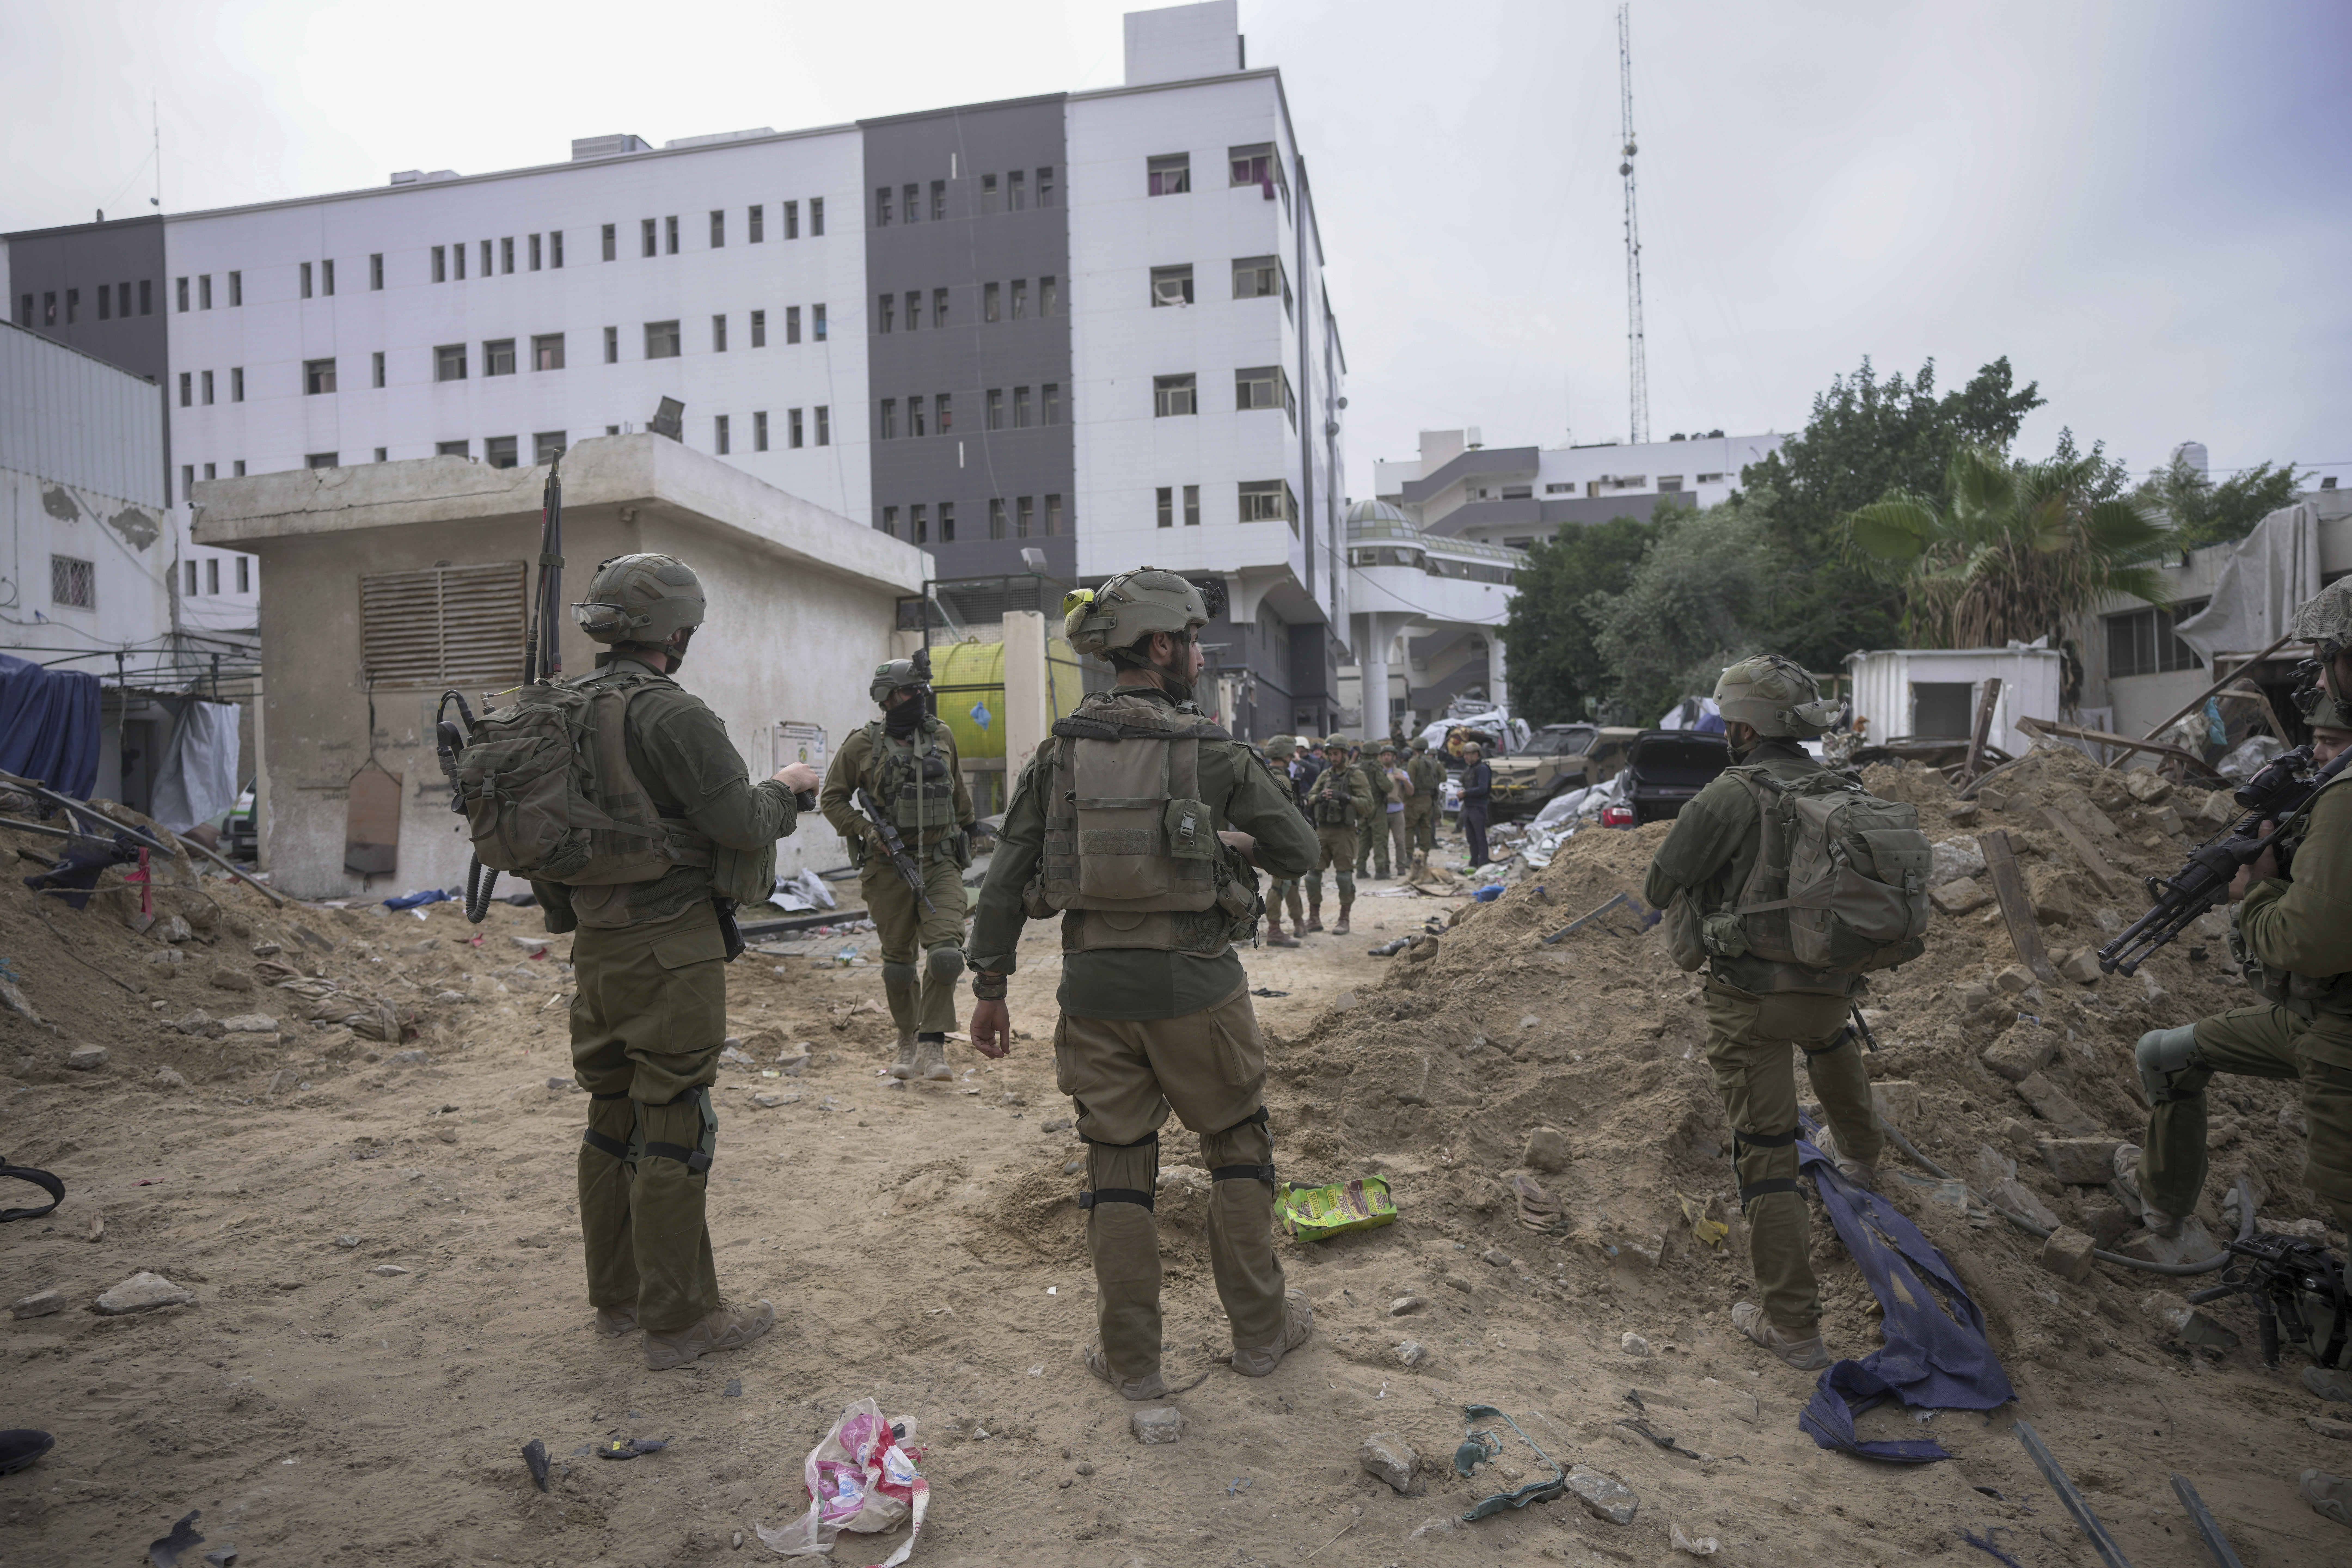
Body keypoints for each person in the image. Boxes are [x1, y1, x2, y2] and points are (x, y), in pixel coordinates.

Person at [965, 566, 1322, 1401]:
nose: (1199, 653)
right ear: (1160, 646)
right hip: (1199, 990)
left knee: (1116, 1167)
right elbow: (1301, 851)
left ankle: (1132, 1361)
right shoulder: (1214, 751)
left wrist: (989, 983)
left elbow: (1009, 874)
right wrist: (1230, 842)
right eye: (1193, 639)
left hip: (1093, 995)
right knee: (1236, 1148)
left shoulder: (1059, 753)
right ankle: (1262, 1337)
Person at [541, 553, 822, 1370]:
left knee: (612, 1119)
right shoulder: (672, 715)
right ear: (675, 631)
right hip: (670, 945)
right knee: (674, 1124)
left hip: (596, 941)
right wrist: (787, 788)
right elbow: (739, 821)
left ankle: (619, 1298)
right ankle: (681, 1321)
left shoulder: (559, 709)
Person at [1639, 654, 1884, 1372]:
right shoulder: (1843, 782)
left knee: (1769, 1154)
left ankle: (1794, 1329)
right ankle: (1863, 1158)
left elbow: (1660, 885)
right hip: (1831, 987)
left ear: (1745, 729)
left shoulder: (1728, 795)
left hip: (1752, 1001)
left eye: (1727, 720)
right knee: (1833, 1039)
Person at [2124, 624, 2352, 1288]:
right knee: (2165, 1053)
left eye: (2333, 743)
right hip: (2314, 1018)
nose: (2319, 756)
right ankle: (2163, 1210)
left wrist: (2252, 893)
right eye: (2316, 743)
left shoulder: (2344, 800)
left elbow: (2306, 943)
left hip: (2338, 1033)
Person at [819, 659, 977, 1081]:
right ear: (887, 699)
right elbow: (832, 799)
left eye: (921, 691)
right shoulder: (861, 746)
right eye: (912, 692)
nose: (919, 699)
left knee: (945, 955)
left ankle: (933, 1046)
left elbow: (958, 790)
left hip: (941, 861)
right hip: (887, 866)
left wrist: (974, 831)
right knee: (899, 965)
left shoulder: (941, 735)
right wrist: (868, 831)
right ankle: (907, 1037)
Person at [1302, 736, 1373, 934]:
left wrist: (1347, 797)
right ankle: (1314, 918)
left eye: (1336, 754)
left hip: (1345, 831)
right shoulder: (1325, 776)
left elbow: (1368, 805)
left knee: (1344, 877)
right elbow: (1309, 798)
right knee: (1312, 877)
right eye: (1331, 754)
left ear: (1345, 754)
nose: (1333, 758)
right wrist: (1319, 797)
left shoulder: (1356, 775)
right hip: (1323, 830)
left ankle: (1344, 919)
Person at [1259, 734, 1305, 947]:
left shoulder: (1264, 772)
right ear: (1287, 754)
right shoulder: (1283, 778)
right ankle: (1275, 930)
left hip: (1268, 835)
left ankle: (1298, 922)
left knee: (1292, 881)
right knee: (1280, 884)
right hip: (1283, 837)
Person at [1353, 740, 1396, 880]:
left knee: (1364, 839)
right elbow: (1387, 787)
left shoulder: (1357, 767)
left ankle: (1360, 869)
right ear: (1376, 754)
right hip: (1377, 808)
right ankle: (1380, 870)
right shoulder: (1375, 767)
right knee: (1380, 839)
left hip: (1361, 808)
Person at [1405, 736, 1447, 871]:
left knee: (1410, 828)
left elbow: (1410, 781)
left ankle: (1410, 857)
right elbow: (1443, 777)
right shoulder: (1434, 762)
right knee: (1426, 828)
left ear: (1415, 749)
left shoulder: (1414, 762)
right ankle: (1425, 856)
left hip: (1415, 799)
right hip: (1429, 800)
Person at [1458, 742, 1493, 868]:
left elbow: (1483, 789)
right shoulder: (1470, 769)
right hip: (1469, 806)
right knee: (1471, 838)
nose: (1466, 757)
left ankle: (1483, 863)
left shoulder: (1483, 769)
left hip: (1478, 807)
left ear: (1476, 755)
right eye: (1465, 755)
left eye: (1468, 754)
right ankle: (1474, 862)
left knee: (1480, 837)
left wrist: (1466, 793)